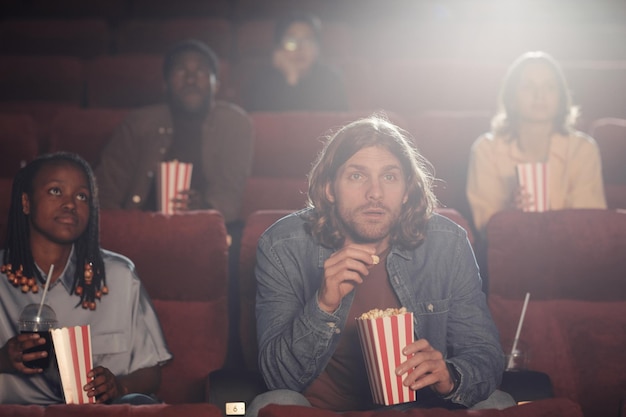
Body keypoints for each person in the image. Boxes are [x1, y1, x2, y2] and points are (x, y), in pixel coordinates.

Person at [247, 117, 514, 416]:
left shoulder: (447, 243)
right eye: (357, 176)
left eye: (389, 177)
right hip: (325, 411)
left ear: (406, 191)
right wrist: (323, 304)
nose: (375, 193)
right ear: (330, 188)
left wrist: (450, 377)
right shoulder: (282, 246)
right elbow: (277, 378)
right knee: (270, 406)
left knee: (498, 403)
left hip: (421, 409)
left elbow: (485, 355)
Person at [0, 152, 172, 405]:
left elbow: (151, 374)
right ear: (26, 203)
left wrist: (119, 385)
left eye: (82, 196)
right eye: (55, 191)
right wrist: (4, 359)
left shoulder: (118, 276)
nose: (70, 203)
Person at [96, 39, 253, 225]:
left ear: (216, 85)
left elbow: (230, 194)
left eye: (201, 71)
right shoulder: (139, 123)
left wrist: (205, 208)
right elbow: (106, 191)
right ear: (165, 84)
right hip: (142, 225)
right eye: (180, 70)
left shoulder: (234, 124)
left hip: (206, 229)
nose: (191, 79)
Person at [466, 51, 607, 236]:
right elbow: (485, 227)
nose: (539, 95)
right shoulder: (485, 149)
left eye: (549, 87)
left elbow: (590, 223)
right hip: (508, 250)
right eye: (527, 86)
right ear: (512, 98)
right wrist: (510, 213)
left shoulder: (583, 149)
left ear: (561, 98)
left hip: (572, 252)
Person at [242, 12, 349, 112]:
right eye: (291, 41)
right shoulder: (262, 80)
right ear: (279, 46)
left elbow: (337, 124)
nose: (300, 48)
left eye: (307, 40)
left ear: (317, 48)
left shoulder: (331, 79)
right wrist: (291, 78)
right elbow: (268, 123)